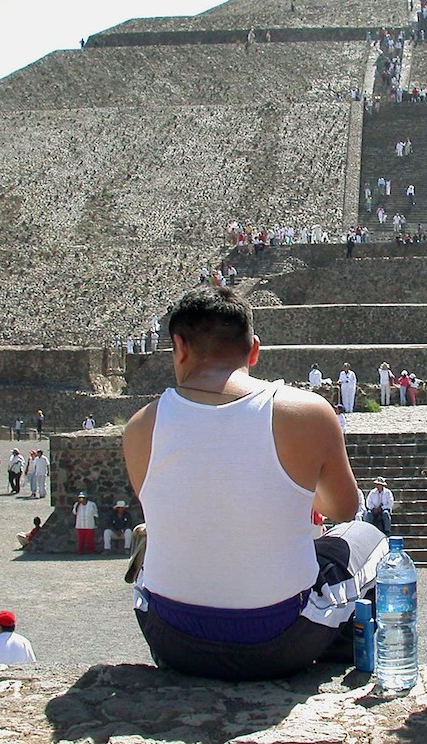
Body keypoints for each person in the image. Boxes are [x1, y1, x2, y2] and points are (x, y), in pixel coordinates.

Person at [121, 286, 386, 680]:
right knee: (368, 536)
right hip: (280, 643)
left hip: (172, 639)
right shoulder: (306, 412)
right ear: (254, 350)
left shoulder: (141, 425)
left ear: (178, 347)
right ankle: (343, 654)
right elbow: (342, 509)